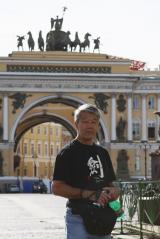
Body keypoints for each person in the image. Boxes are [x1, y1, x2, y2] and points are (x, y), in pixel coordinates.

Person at [52, 104, 120, 239]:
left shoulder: (103, 152)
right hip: (78, 216)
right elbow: (56, 188)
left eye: (93, 122)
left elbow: (111, 184)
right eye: (85, 122)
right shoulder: (67, 153)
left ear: (98, 125)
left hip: (102, 216)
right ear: (76, 124)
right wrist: (88, 194)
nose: (90, 126)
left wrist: (115, 192)